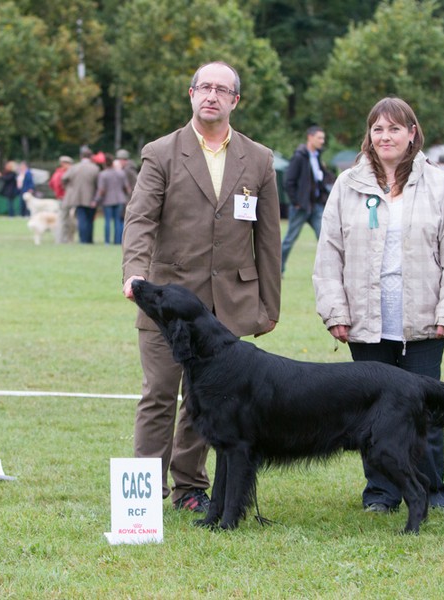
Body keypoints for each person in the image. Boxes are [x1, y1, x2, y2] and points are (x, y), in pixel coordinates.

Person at [121, 61, 282, 512]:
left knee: (208, 400)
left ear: (235, 101)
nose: (211, 95)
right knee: (159, 394)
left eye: (222, 89)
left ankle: (191, 486)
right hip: (168, 302)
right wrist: (134, 274)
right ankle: (146, 494)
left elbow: (268, 238)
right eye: (204, 87)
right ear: (191, 94)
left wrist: (269, 304)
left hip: (229, 303)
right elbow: (139, 219)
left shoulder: (260, 158)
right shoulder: (161, 152)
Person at [313, 97, 444, 513]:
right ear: (369, 135)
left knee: (425, 411)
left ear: (412, 134)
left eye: (395, 129)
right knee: (371, 414)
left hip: (423, 318)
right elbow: (329, 254)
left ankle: (434, 492)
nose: (386, 137)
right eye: (378, 129)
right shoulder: (347, 185)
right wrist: (335, 311)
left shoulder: (439, 184)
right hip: (366, 319)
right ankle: (381, 494)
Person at [280, 126, 332, 274]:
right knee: (289, 240)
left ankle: (328, 272)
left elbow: (320, 179)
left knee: (325, 239)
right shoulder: (299, 157)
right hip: (300, 207)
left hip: (316, 206)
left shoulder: (318, 156)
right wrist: (296, 202)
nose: (322, 141)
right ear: (310, 137)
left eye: (323, 138)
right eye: (319, 138)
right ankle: (278, 270)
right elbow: (288, 182)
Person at [62, 147, 100, 243]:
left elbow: (64, 178)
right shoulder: (95, 168)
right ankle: (89, 239)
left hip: (77, 197)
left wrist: (69, 187)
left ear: (80, 156)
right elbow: (98, 184)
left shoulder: (74, 167)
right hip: (91, 197)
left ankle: (82, 240)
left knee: (81, 219)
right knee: (90, 220)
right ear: (91, 156)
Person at [95, 153, 130, 244]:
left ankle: (107, 241)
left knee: (107, 221)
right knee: (118, 221)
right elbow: (127, 188)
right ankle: (117, 241)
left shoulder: (103, 174)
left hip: (107, 200)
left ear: (104, 163)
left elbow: (101, 190)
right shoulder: (121, 173)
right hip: (120, 199)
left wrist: (96, 200)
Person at [49, 155, 76, 243]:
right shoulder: (63, 174)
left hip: (60, 198)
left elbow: (51, 184)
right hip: (65, 198)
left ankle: (63, 239)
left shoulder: (57, 173)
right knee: (64, 220)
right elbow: (58, 185)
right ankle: (62, 239)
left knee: (64, 219)